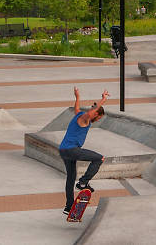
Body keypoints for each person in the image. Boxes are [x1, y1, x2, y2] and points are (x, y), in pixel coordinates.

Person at [59, 87, 108, 216]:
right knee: (99, 158)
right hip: (72, 150)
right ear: (95, 114)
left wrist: (77, 97)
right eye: (98, 118)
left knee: (70, 178)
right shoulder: (85, 118)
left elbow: (76, 108)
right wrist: (103, 100)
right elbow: (92, 111)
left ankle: (68, 207)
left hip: (63, 151)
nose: (97, 120)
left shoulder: (78, 115)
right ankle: (83, 182)